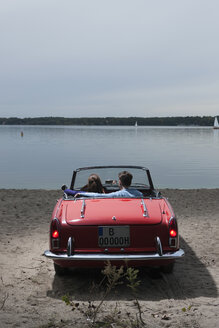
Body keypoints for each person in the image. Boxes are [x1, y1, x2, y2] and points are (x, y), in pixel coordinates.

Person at [75, 171, 143, 198]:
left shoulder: (118, 194)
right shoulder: (139, 194)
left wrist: (82, 193)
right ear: (130, 182)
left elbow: (99, 195)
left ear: (120, 182)